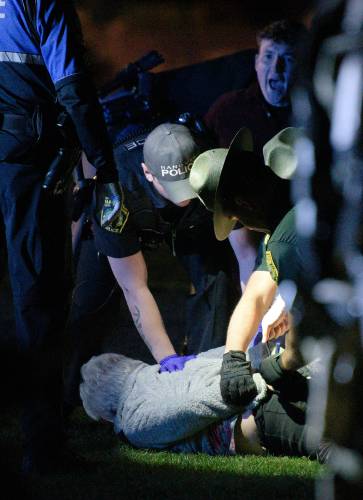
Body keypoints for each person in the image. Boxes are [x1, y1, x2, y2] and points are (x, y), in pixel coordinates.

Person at [0, 0, 128, 474]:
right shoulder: (44, 2)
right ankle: (44, 447)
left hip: (8, 153)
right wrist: (104, 163)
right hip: (31, 163)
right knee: (42, 300)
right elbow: (72, 87)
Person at [65, 122, 237, 408]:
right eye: (174, 187)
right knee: (88, 303)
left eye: (188, 183)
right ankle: (67, 397)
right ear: (147, 172)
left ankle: (207, 380)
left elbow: (243, 251)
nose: (183, 196)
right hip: (133, 216)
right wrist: (166, 357)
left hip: (195, 224)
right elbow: (134, 287)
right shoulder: (114, 192)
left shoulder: (214, 166)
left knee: (216, 280)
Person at [79, 326, 330, 462]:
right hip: (258, 397)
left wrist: (251, 383)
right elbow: (218, 361)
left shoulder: (133, 420)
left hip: (254, 406)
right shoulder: (162, 374)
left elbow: (192, 406)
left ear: (105, 417)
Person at [189, 126, 304, 407]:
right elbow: (255, 294)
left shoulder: (287, 239)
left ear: (243, 204)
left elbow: (305, 340)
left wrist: (276, 367)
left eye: (236, 219)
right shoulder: (285, 208)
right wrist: (234, 357)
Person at [205, 19, 307, 291]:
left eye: (288, 58)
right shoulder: (229, 110)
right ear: (256, 62)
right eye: (269, 56)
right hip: (244, 228)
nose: (277, 68)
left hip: (301, 231)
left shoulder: (316, 111)